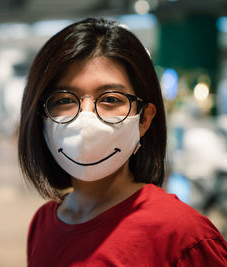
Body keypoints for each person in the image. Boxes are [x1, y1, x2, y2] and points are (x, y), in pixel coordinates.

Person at [18, 17, 227, 266]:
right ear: (40, 117)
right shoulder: (44, 223)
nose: (86, 118)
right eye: (64, 100)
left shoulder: (183, 235)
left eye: (111, 99)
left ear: (144, 119)